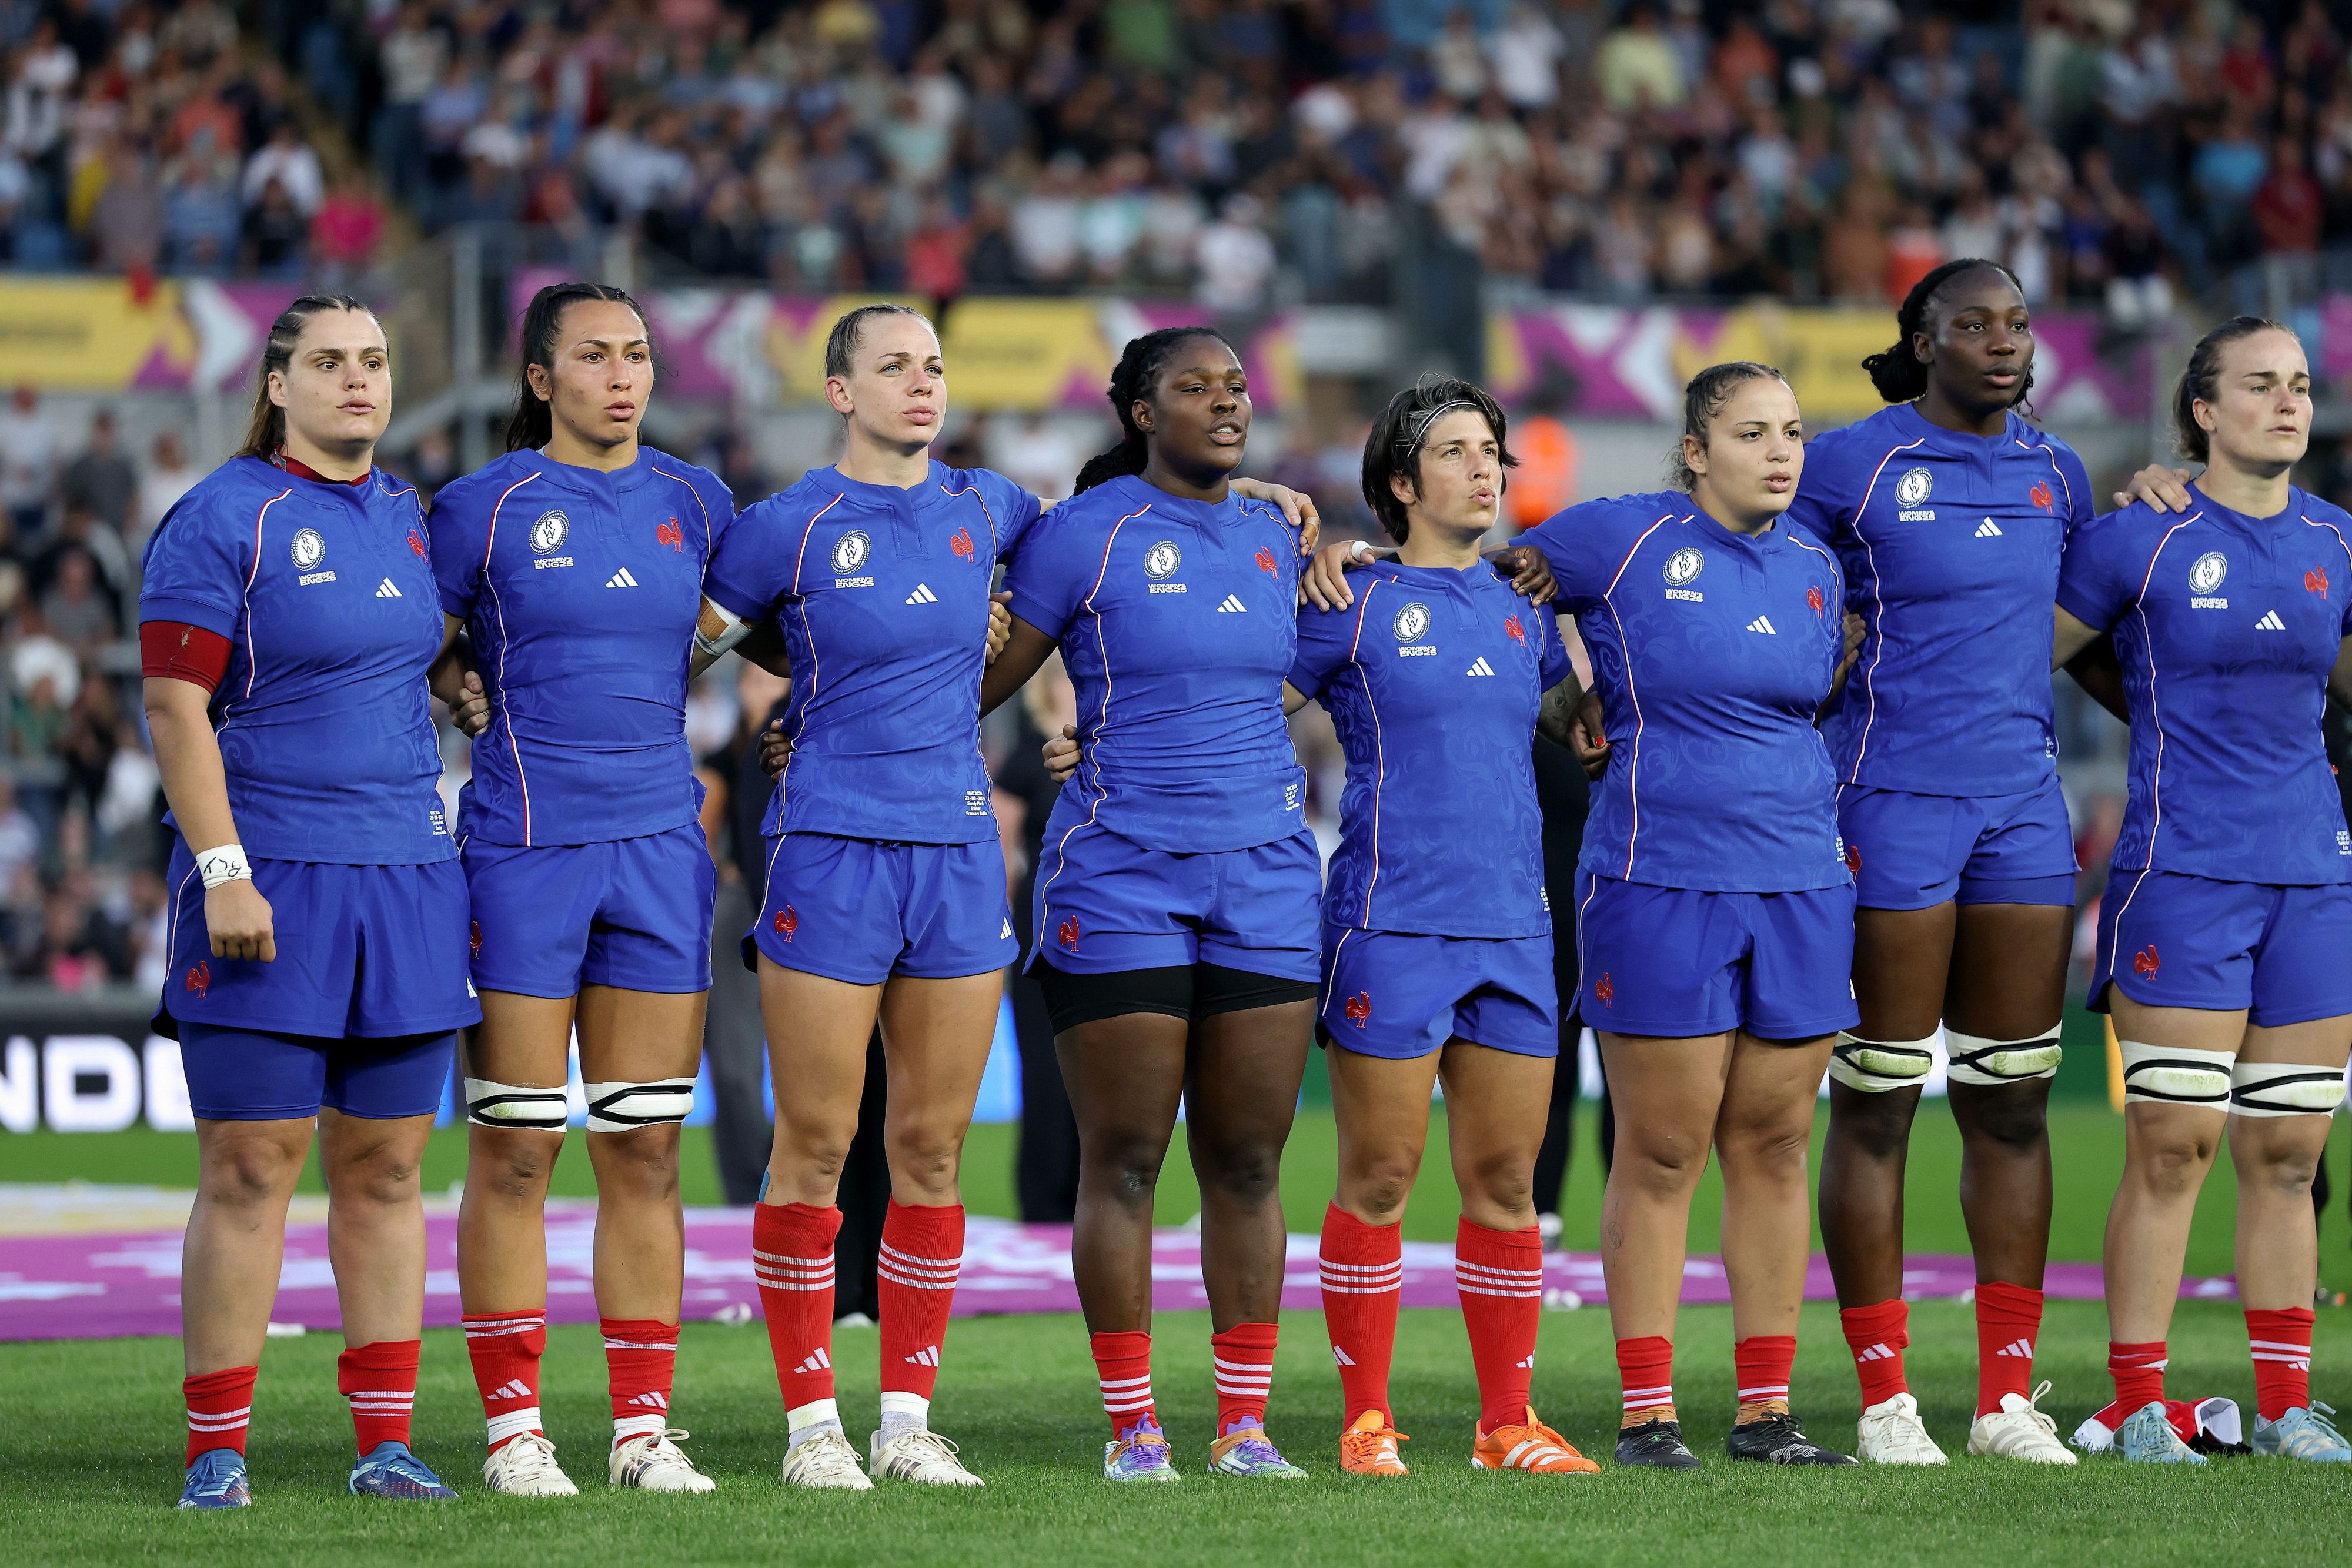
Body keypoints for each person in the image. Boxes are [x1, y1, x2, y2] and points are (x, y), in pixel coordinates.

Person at [141, 295, 478, 1509]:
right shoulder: (223, 513)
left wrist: (461, 684)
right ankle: (215, 1450)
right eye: (328, 362)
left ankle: (385, 1442)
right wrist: (222, 865)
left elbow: (414, 653)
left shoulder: (411, 518)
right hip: (268, 872)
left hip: (410, 876)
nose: (358, 380)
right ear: (277, 383)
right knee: (250, 1164)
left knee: (387, 1170)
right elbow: (176, 705)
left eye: (375, 362)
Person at [427, 281, 738, 1497]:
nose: (624, 374)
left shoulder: (695, 500)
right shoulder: (478, 506)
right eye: (596, 356)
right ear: (540, 378)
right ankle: (514, 1429)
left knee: (647, 1148)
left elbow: (778, 618)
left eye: (640, 354)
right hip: (523, 846)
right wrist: (458, 677)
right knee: (514, 1149)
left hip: (660, 850)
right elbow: (412, 633)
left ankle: (639, 1429)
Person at [1521, 362, 1861, 1470]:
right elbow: (1472, 593)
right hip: (1658, 876)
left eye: (1795, 431)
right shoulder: (1613, 538)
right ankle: (1647, 1414)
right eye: (1753, 431)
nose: (1782, 451)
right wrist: (1558, 695)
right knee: (1663, 1150)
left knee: (1774, 1144)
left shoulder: (1818, 559)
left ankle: (1767, 1412)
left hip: (1805, 881)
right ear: (1695, 450)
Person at [1788, 258, 2091, 1466]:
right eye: (1974, 325)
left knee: (2010, 1101)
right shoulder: (1848, 464)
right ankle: (1882, 1398)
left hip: (2022, 807)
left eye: (2016, 323)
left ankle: (2006, 1397)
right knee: (1875, 1102)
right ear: (1922, 340)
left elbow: (2089, 618)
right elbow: (1737, 550)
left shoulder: (2056, 469)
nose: (2003, 341)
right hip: (1886, 800)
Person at [2052, 317, 2352, 1466]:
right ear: (2199, 413)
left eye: (2297, 385)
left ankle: (2285, 1406)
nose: (2287, 402)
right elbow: (2024, 649)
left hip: (2315, 878)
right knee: (2171, 1142)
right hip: (2181, 872)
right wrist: (2132, 679)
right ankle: (2137, 1405)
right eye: (2258, 385)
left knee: (2286, 1151)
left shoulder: (2334, 538)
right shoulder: (2139, 539)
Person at [1290, 378, 1599, 1476]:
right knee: (1379, 1175)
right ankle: (1365, 1420)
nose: (1487, 469)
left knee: (1508, 1184)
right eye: (1460, 452)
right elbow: (1232, 707)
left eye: (1495, 450)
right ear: (1402, 483)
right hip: (1392, 921)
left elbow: (1570, 728)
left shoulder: (1527, 615)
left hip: (1517, 926)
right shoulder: (1346, 604)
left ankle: (1506, 1423)